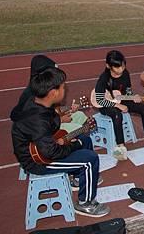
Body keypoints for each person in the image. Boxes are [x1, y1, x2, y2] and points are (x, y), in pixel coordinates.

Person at [11, 66, 110, 217]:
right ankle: (86, 203)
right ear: (53, 93)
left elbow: (51, 124)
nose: (65, 90)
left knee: (84, 138)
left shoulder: (38, 103)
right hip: (38, 161)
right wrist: (74, 145)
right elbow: (50, 152)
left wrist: (70, 138)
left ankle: (78, 179)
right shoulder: (37, 120)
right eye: (63, 87)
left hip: (45, 147)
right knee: (90, 159)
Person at [93, 50, 144, 159]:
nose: (121, 69)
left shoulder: (125, 73)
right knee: (117, 114)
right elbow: (99, 100)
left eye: (122, 66)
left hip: (122, 99)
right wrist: (117, 105)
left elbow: (127, 92)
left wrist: (133, 97)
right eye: (117, 67)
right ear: (108, 66)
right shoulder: (104, 78)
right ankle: (121, 147)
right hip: (107, 105)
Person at [10, 54, 87, 133]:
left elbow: (54, 111)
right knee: (79, 129)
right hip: (44, 130)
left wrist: (70, 109)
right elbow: (22, 117)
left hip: (53, 122)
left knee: (80, 115)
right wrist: (60, 120)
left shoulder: (48, 88)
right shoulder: (30, 95)